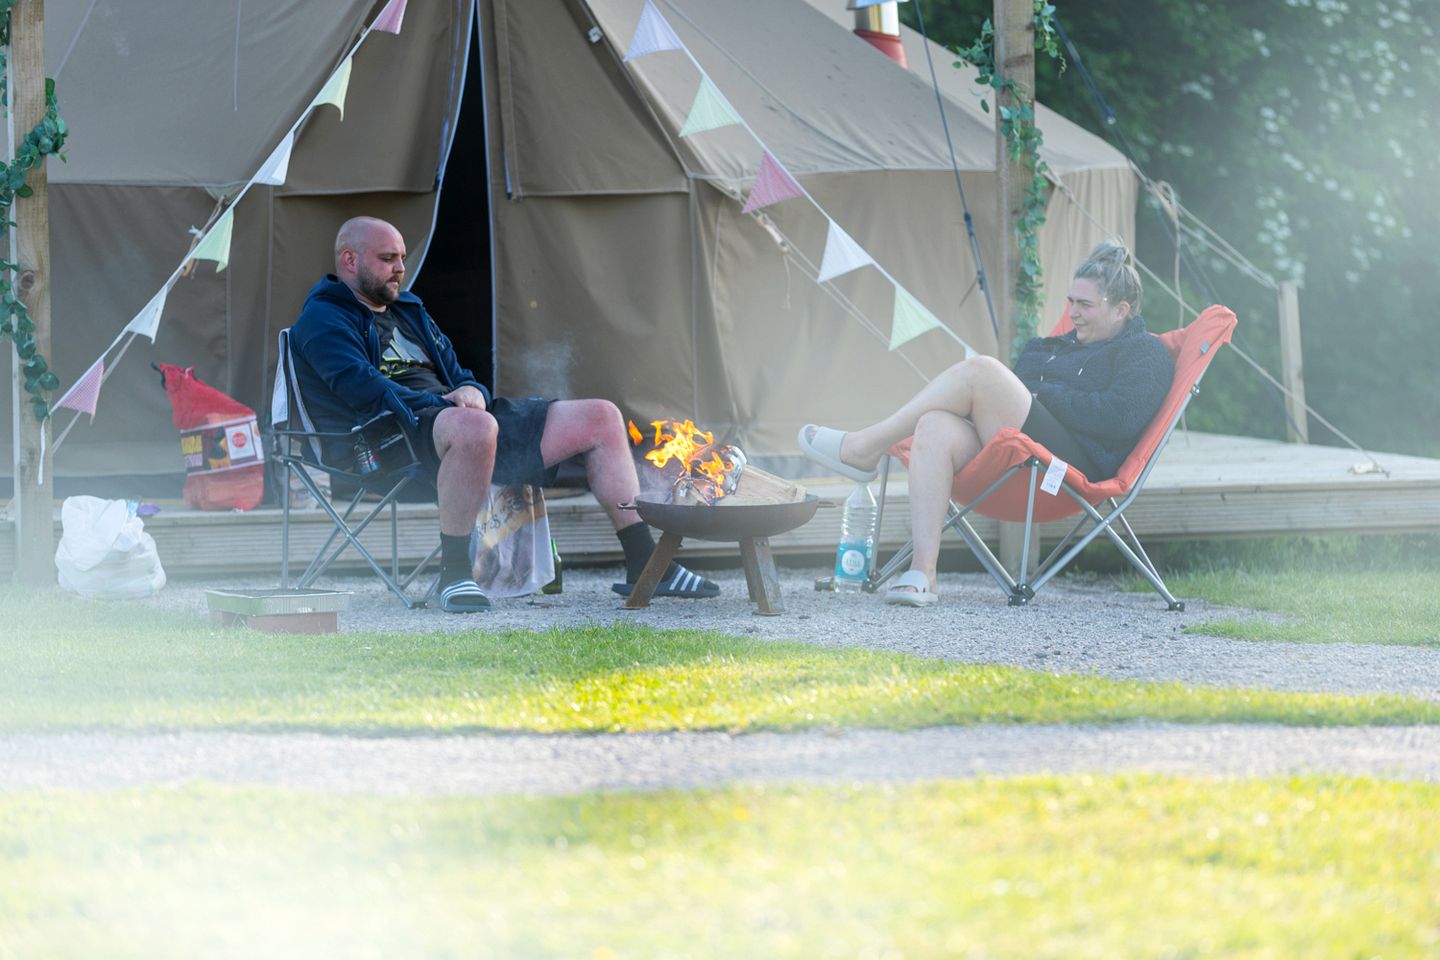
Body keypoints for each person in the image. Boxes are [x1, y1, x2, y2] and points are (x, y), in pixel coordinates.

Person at [289, 216, 719, 612]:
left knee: (602, 416)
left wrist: (472, 391)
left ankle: (646, 563)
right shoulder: (324, 318)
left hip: (462, 424)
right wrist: (445, 404)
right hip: (391, 436)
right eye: (387, 259)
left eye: (402, 257)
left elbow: (462, 375)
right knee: (475, 425)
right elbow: (360, 387)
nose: (400, 267)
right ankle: (455, 575)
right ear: (350, 260)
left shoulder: (408, 312)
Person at [799, 239, 1174, 607]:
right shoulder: (1051, 347)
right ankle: (923, 572)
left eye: (1085, 305)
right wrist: (1043, 394)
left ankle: (863, 447)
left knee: (983, 370)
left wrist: (1046, 395)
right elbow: (1026, 380)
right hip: (1019, 455)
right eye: (1070, 302)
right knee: (932, 425)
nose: (1073, 313)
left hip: (1071, 469)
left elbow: (1115, 417)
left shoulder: (1146, 354)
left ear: (1121, 309)